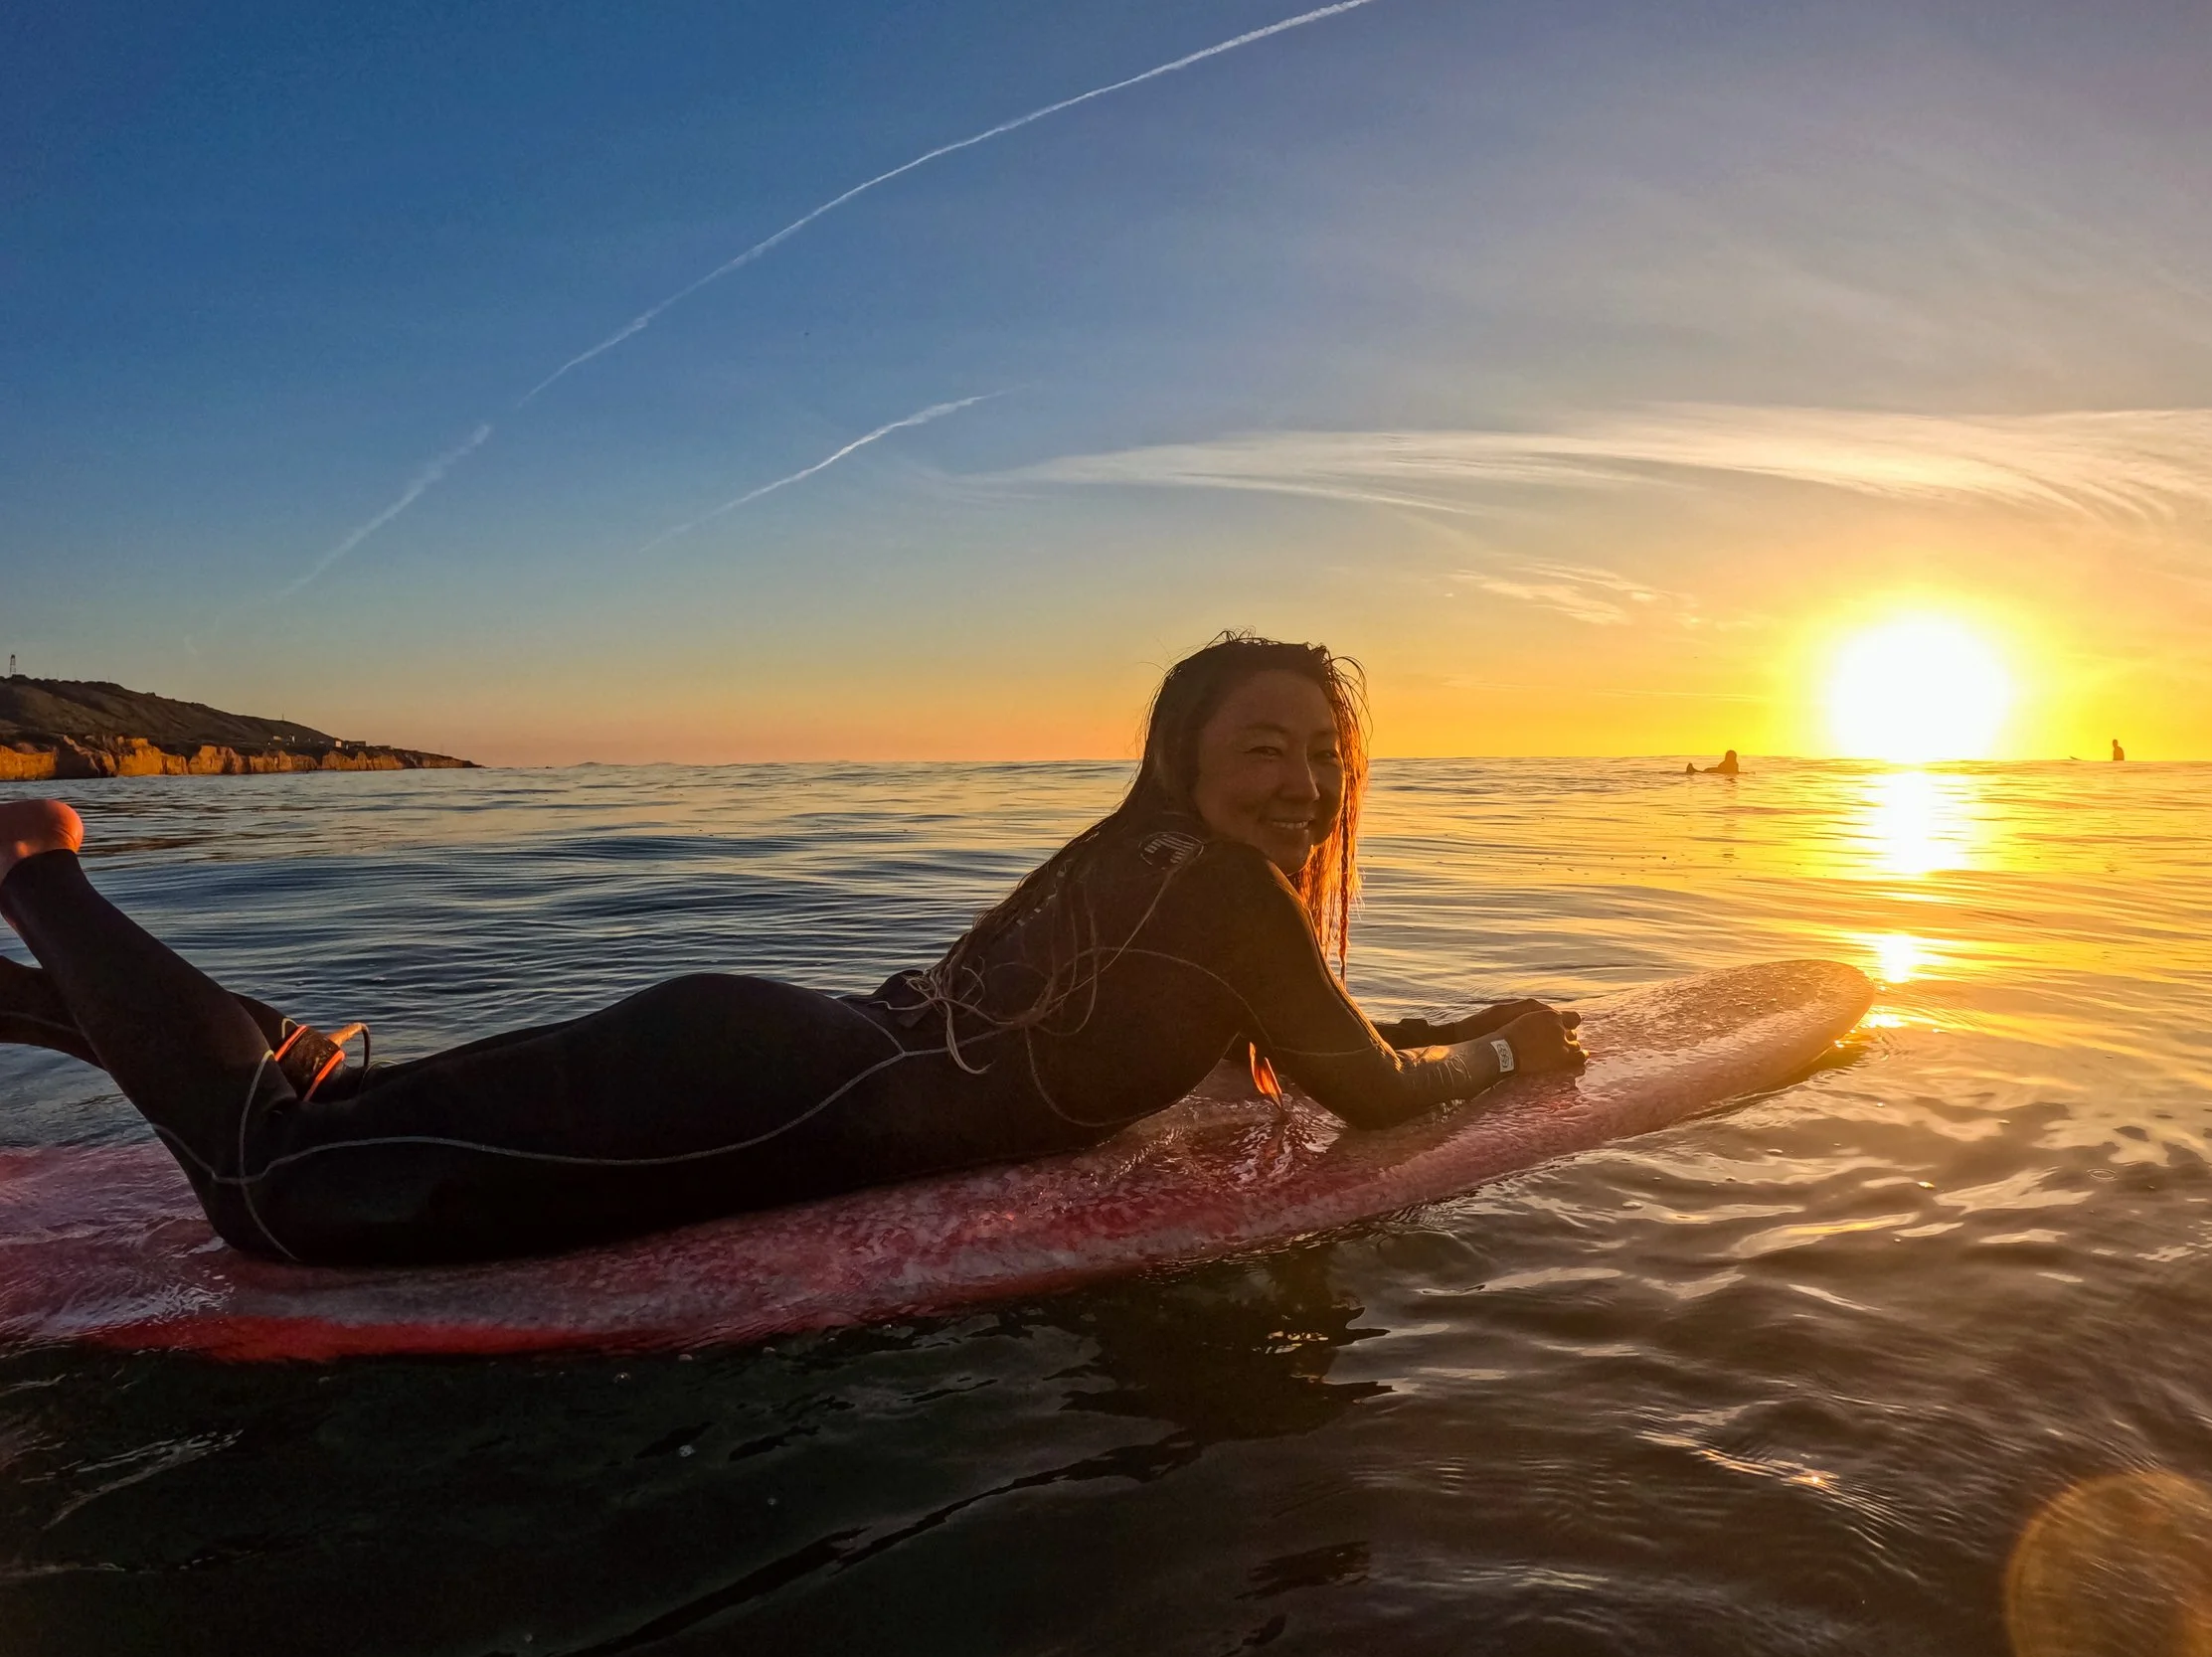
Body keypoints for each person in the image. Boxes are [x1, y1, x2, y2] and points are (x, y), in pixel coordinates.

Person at [0, 635, 1585, 1266]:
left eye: (1324, 756)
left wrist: (1444, 1024)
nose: (1303, 785)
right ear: (1184, 755)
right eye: (1269, 749)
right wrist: (1505, 1055)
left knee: (342, 1114)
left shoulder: (1148, 870)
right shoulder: (1227, 891)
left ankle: (42, 994)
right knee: (284, 1193)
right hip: (765, 1086)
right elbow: (1373, 1095)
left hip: (774, 1048)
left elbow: (1313, 1039)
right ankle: (45, 879)